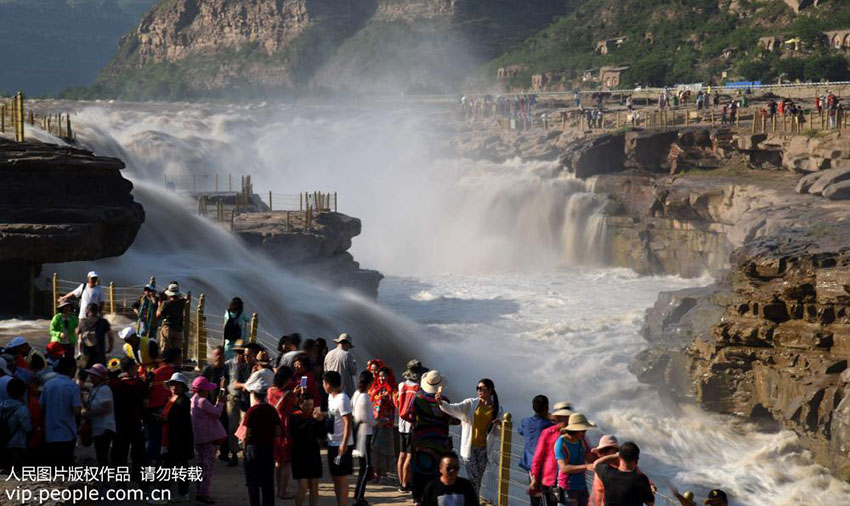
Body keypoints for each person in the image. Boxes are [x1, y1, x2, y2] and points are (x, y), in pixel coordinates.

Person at [436, 378, 502, 496]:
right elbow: (454, 408)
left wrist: (499, 425)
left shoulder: (497, 409)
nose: (480, 391)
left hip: (484, 449)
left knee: (478, 480)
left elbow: (499, 433)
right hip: (469, 448)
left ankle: (470, 499)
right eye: (478, 388)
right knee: (473, 479)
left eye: (483, 389)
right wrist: (441, 403)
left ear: (491, 390)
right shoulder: (471, 404)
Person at [410, 370, 453, 504]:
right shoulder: (444, 401)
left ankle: (418, 498)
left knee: (419, 468)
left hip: (421, 440)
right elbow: (452, 419)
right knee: (436, 470)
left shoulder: (418, 398)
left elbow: (411, 417)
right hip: (439, 442)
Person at [241, 373, 280, 506]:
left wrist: (244, 447)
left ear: (254, 395)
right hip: (268, 448)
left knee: (253, 483)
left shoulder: (251, 411)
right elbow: (278, 431)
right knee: (267, 482)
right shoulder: (272, 410)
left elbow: (246, 434)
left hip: (253, 449)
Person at [108, 357, 148, 482]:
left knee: (120, 454)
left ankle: (121, 482)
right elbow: (146, 404)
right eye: (136, 367)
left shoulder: (114, 384)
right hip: (136, 423)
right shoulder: (140, 384)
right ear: (131, 368)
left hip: (119, 423)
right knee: (138, 454)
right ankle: (138, 478)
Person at [190, 375, 227, 505]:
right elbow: (217, 413)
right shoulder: (203, 401)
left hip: (199, 438)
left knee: (200, 466)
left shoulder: (193, 400)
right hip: (209, 439)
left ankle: (199, 491)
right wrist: (220, 403)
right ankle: (204, 494)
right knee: (207, 468)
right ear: (204, 390)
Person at [530, 402, 574, 505]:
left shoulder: (577, 434)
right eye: (562, 416)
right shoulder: (548, 433)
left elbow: (587, 454)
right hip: (551, 482)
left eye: (567, 416)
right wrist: (534, 479)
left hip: (571, 483)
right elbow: (538, 458)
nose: (565, 419)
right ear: (557, 417)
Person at [39, 356, 81, 465]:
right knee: (66, 466)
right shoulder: (73, 387)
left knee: (54, 466)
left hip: (50, 434)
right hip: (67, 433)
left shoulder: (48, 385)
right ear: (72, 369)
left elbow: (41, 407)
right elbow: (77, 410)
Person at [161, 373, 194, 502]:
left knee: (170, 467)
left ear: (183, 387)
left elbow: (180, 421)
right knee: (179, 467)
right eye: (172, 384)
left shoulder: (183, 401)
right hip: (171, 437)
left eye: (177, 384)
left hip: (179, 440)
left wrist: (165, 419)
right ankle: (182, 493)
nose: (174, 387)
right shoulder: (171, 399)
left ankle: (166, 495)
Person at [323, 370, 354, 506]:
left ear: (329, 384)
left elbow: (348, 422)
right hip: (332, 442)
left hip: (340, 444)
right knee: (335, 477)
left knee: (341, 478)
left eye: (324, 383)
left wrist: (344, 444)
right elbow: (333, 415)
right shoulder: (331, 397)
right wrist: (322, 415)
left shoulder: (343, 399)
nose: (323, 385)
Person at [592, 441, 655, 506]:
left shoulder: (608, 474)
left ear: (620, 457)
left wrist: (617, 455)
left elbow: (596, 463)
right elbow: (650, 503)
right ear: (636, 460)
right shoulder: (641, 479)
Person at [555, 413, 597, 506]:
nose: (585, 432)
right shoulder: (561, 443)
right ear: (577, 430)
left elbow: (588, 457)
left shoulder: (580, 440)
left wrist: (602, 456)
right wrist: (586, 467)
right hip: (568, 488)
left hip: (582, 486)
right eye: (583, 430)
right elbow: (564, 468)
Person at [290, 393, 324, 506]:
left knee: (314, 486)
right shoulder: (294, 416)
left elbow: (321, 435)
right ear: (300, 404)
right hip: (299, 455)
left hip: (313, 454)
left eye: (311, 405)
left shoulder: (314, 416)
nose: (309, 408)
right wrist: (313, 421)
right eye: (306, 405)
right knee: (303, 487)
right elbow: (298, 432)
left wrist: (320, 421)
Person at [267, 366, 296, 500]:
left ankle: (278, 489)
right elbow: (295, 404)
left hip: (273, 427)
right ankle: (283, 491)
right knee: (287, 462)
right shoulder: (289, 394)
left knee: (278, 461)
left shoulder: (270, 391)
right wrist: (297, 393)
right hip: (286, 428)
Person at [395, 359, 424, 493]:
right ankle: (407, 484)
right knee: (410, 455)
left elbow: (398, 403)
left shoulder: (401, 386)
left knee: (401, 454)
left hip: (401, 423)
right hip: (412, 424)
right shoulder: (418, 388)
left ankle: (401, 483)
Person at [520, 395, 553, 506]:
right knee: (547, 499)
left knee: (534, 499)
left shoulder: (525, 422)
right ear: (547, 407)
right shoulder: (549, 426)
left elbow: (521, 431)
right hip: (544, 467)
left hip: (530, 466)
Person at [81, 363, 115, 465]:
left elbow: (107, 408)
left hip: (105, 429)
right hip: (98, 428)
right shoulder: (95, 388)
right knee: (101, 456)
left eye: (93, 375)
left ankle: (106, 479)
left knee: (102, 457)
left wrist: (88, 414)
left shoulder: (104, 389)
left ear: (100, 378)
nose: (90, 377)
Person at [369, 364, 397, 483]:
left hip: (385, 423)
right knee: (375, 449)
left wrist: (385, 420)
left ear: (388, 376)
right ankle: (375, 474)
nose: (381, 378)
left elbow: (393, 405)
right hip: (375, 422)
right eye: (380, 376)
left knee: (383, 449)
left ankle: (384, 474)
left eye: (384, 376)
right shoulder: (375, 388)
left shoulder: (392, 390)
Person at [201, 345, 230, 461]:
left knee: (224, 429)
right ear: (213, 356)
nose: (219, 357)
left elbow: (227, 386)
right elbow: (201, 385)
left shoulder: (226, 369)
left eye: (221, 354)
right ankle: (208, 453)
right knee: (208, 430)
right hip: (209, 404)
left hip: (223, 404)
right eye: (216, 355)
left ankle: (224, 453)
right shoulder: (208, 370)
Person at [352, 371, 376, 506]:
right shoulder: (365, 396)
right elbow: (365, 418)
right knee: (366, 467)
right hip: (364, 433)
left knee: (363, 466)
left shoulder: (356, 394)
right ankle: (359, 498)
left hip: (359, 432)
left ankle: (358, 495)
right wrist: (378, 422)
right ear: (370, 383)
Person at [224, 339, 249, 466]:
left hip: (246, 399)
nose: (240, 355)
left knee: (245, 428)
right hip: (233, 399)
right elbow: (225, 380)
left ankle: (246, 453)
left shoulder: (248, 365)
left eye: (242, 352)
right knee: (232, 427)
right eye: (238, 352)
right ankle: (233, 453)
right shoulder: (229, 364)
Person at [76, 303, 114, 380]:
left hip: (86, 353)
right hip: (99, 353)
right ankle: (101, 390)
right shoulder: (103, 322)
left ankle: (79, 389)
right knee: (102, 374)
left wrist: (80, 350)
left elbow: (77, 333)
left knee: (81, 376)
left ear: (87, 311)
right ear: (97, 311)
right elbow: (110, 336)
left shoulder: (83, 322)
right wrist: (110, 348)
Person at [1, 378, 31, 470]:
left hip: (3, 441)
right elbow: (28, 428)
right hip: (17, 445)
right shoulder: (22, 409)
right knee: (14, 471)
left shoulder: (2, 405)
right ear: (22, 392)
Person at [156, 282, 187, 355]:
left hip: (168, 328)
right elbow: (186, 299)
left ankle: (167, 364)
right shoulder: (182, 302)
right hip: (178, 329)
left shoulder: (165, 303)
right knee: (177, 351)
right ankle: (176, 365)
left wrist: (159, 304)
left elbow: (158, 315)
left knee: (165, 350)